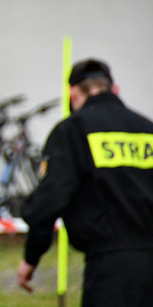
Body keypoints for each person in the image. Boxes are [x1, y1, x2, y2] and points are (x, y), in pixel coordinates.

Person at [17, 58, 153, 306]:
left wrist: (31, 256)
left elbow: (51, 198)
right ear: (114, 90)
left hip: (111, 269)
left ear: (72, 93)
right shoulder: (147, 129)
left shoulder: (73, 130)